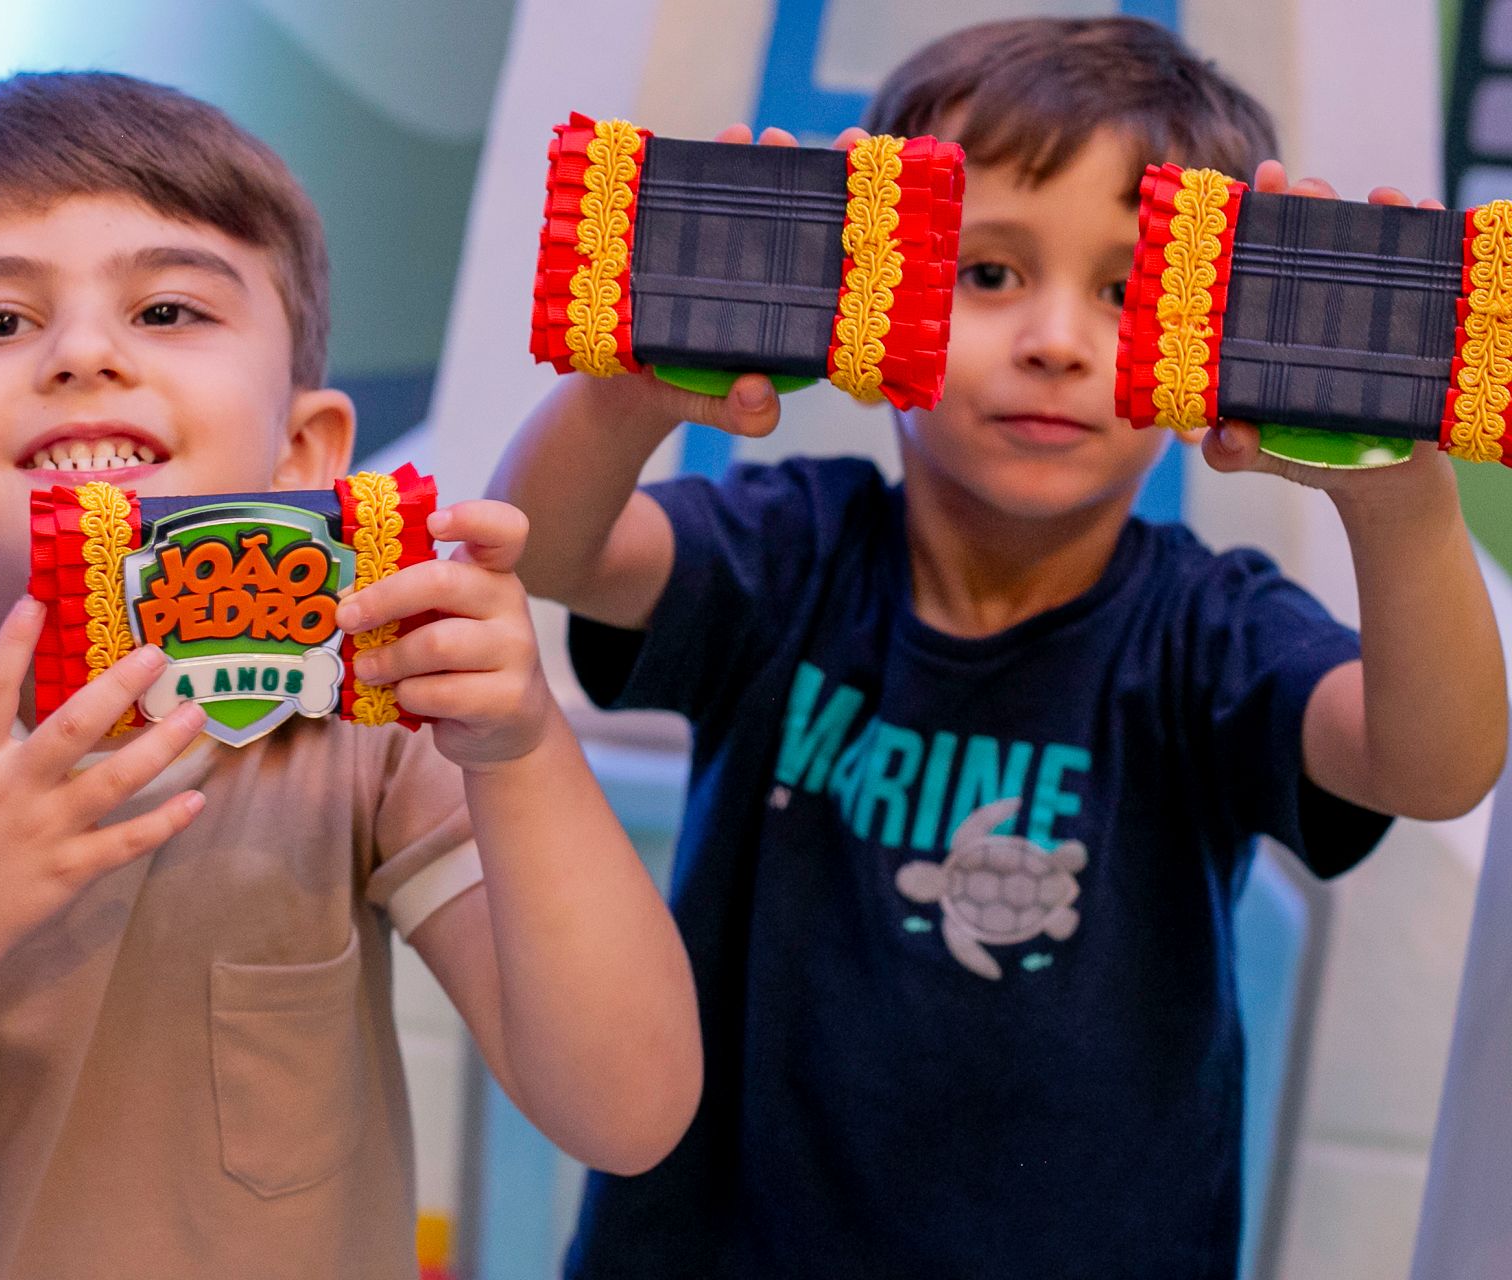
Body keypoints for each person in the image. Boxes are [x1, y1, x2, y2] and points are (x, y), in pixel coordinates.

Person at [489, 16, 1506, 1278]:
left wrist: (1395, 492)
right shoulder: (791, 550)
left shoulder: (1207, 632)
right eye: (989, 273)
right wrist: (629, 385)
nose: (1057, 341)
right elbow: (543, 547)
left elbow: (1435, 763)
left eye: (1128, 291)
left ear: (1217, 330)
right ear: (875, 282)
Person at [0, 70, 700, 1280]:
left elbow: (629, 1113)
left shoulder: (372, 709)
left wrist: (525, 750)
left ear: (304, 451)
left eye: (168, 309)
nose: (83, 353)